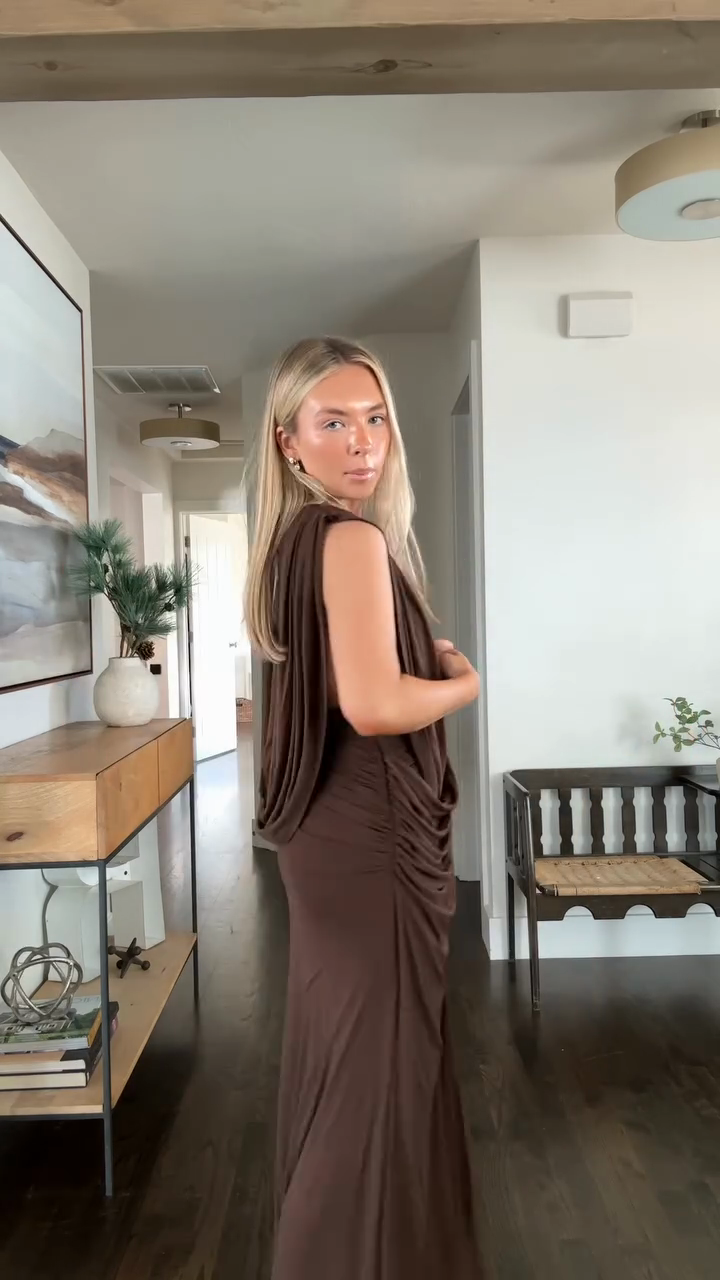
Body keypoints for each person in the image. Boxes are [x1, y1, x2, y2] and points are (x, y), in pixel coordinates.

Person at [246, 336, 483, 1280]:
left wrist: (421, 658)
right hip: (370, 843)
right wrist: (462, 684)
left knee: (349, 1066)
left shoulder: (290, 545)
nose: (363, 441)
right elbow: (376, 705)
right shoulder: (349, 539)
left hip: (330, 839)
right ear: (289, 440)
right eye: (334, 421)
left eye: (375, 417)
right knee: (375, 1079)